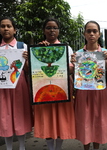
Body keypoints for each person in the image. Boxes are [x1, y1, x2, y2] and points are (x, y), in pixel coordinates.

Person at [0, 17, 33, 150]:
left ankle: (22, 146)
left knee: (20, 114)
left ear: (14, 30)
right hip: (0, 87)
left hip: (19, 86)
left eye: (9, 26)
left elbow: (29, 69)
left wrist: (27, 60)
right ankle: (8, 147)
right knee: (4, 116)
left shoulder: (22, 46)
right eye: (3, 26)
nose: (6, 28)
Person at [71, 21, 107, 150]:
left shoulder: (106, 53)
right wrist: (73, 66)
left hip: (101, 92)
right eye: (88, 31)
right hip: (83, 92)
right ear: (84, 34)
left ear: (99, 34)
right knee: (84, 122)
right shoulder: (78, 54)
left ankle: (96, 148)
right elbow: (75, 79)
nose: (91, 34)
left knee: (98, 122)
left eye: (94, 31)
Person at [33, 18, 76, 150]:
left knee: (61, 119)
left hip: (62, 88)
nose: (52, 30)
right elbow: (34, 70)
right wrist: (39, 52)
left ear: (58, 30)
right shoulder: (38, 48)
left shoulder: (66, 48)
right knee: (47, 119)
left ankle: (58, 148)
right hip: (44, 88)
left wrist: (72, 64)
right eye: (48, 27)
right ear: (43, 30)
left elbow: (70, 69)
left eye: (55, 28)